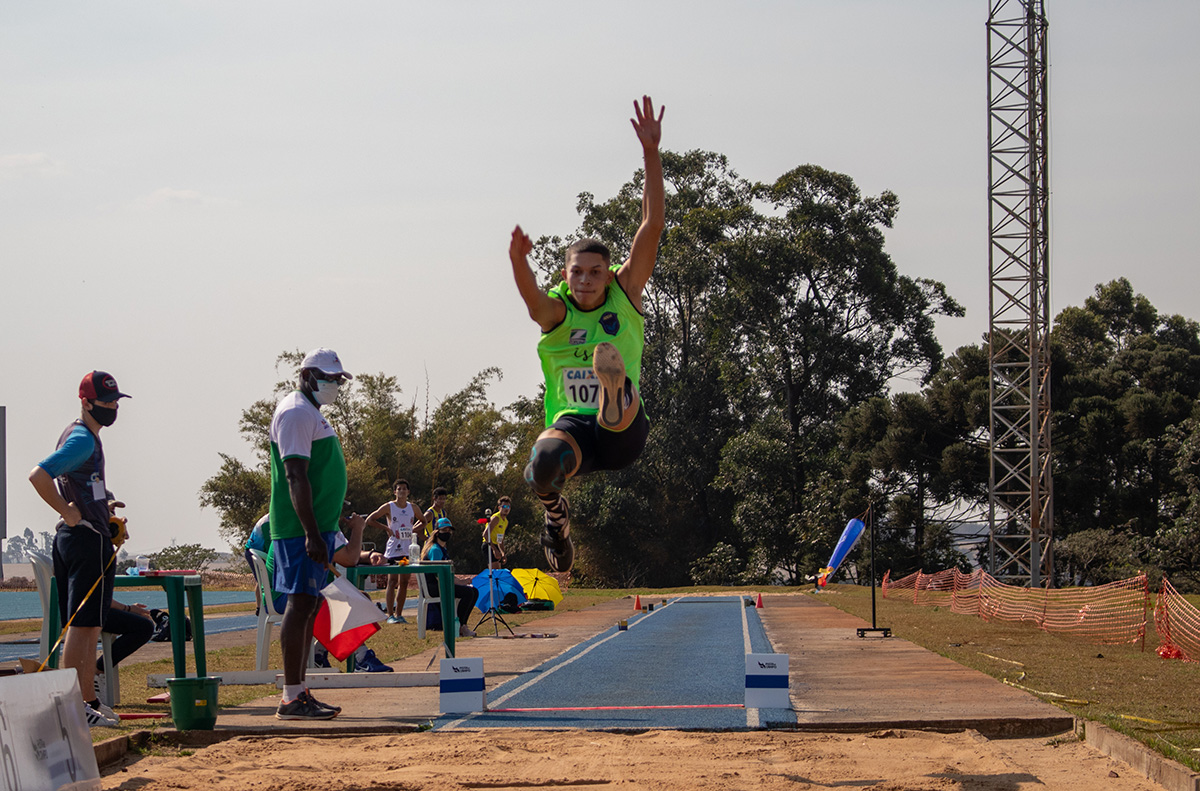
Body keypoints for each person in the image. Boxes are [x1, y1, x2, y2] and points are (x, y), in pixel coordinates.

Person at [509, 95, 665, 573]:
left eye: (596, 272)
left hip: (621, 433)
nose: (587, 280)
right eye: (578, 272)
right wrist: (518, 262)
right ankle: (557, 523)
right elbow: (534, 299)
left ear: (607, 272)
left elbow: (651, 225)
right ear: (567, 272)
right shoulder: (557, 313)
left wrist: (650, 154)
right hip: (574, 426)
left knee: (615, 408)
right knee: (539, 465)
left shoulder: (626, 293)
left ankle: (614, 391)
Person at [28, 371, 131, 728]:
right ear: (85, 402)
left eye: (116, 401)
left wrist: (105, 506)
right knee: (82, 625)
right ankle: (73, 706)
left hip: (86, 536)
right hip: (84, 540)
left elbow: (83, 483)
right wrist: (67, 511)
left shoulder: (81, 436)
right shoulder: (82, 440)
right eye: (105, 403)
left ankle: (87, 700)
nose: (112, 408)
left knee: (90, 625)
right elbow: (39, 475)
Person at [268, 347, 366, 720]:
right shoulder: (295, 412)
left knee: (309, 604)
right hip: (299, 530)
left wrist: (332, 505)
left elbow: (317, 472)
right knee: (300, 604)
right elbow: (295, 474)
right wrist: (311, 532)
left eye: (338, 380)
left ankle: (299, 692)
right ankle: (291, 696)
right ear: (307, 376)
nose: (335, 385)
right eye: (328, 379)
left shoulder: (309, 413)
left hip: (317, 527)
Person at [364, 478, 426, 624]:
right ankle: (390, 615)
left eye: (404, 489)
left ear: (408, 492)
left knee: (404, 582)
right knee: (392, 581)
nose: (402, 491)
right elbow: (370, 520)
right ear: (394, 492)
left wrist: (413, 530)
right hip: (393, 550)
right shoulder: (389, 507)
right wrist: (387, 528)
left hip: (407, 549)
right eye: (399, 489)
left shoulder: (413, 508)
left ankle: (399, 614)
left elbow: (424, 521)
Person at [420, 518, 477, 638]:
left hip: (441, 584)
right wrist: (459, 582)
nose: (448, 533)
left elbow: (448, 572)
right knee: (469, 593)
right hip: (434, 587)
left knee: (473, 591)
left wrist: (461, 581)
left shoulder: (442, 549)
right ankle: (461, 626)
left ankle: (462, 626)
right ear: (437, 532)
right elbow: (438, 575)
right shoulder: (435, 549)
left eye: (449, 530)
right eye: (444, 530)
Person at [481, 497, 511, 568]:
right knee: (495, 571)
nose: (506, 509)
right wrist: (494, 549)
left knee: (498, 571)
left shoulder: (506, 522)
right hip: (488, 545)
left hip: (496, 545)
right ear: (499, 508)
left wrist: (503, 553)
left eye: (508, 507)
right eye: (504, 506)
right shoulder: (495, 518)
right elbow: (485, 534)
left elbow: (500, 540)